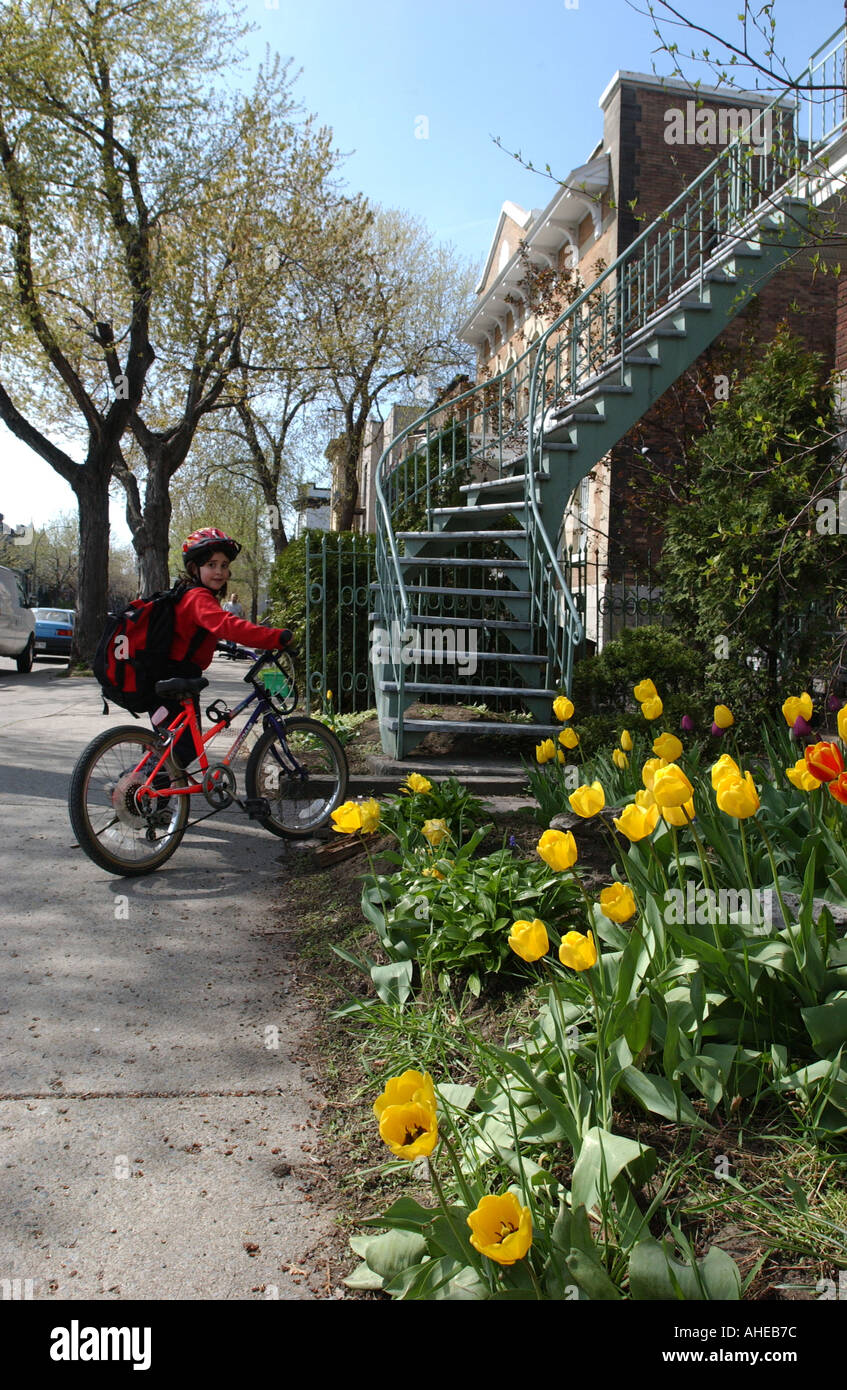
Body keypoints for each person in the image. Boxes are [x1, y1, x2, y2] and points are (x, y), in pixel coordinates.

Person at [150, 527, 292, 770]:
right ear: (195, 568)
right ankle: (136, 789)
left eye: (224, 565)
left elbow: (192, 634)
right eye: (212, 564)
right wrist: (276, 637)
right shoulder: (198, 597)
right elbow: (229, 626)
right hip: (175, 680)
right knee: (182, 749)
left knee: (175, 748)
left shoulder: (191, 594)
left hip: (177, 677)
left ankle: (157, 801)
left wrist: (228, 648)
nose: (220, 571)